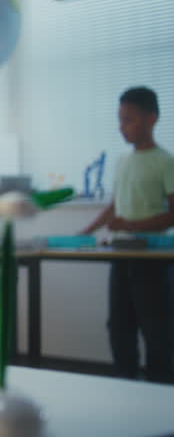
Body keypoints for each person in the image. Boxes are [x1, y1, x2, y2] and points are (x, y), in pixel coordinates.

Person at [81, 86, 174, 383]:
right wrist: (83, 233)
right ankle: (125, 380)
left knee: (155, 326)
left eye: (129, 120)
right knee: (120, 325)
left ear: (152, 118)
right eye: (120, 121)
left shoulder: (165, 161)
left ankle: (161, 386)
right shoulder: (122, 162)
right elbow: (114, 209)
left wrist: (131, 226)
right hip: (121, 254)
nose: (122, 127)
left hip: (153, 258)